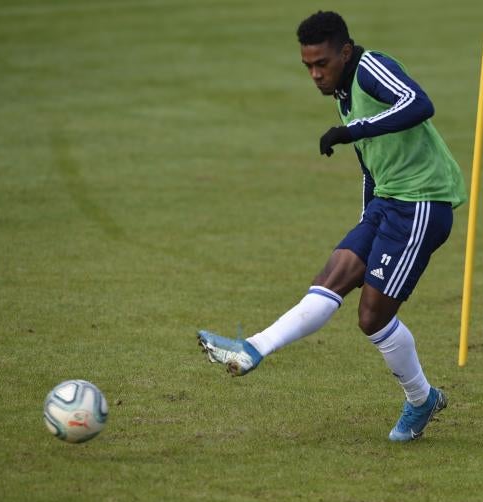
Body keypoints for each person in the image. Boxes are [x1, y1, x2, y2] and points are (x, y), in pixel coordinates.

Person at [198, 10, 467, 442]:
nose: (315, 74)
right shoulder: (343, 94)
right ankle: (253, 349)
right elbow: (371, 166)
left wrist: (351, 130)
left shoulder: (370, 67)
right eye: (307, 66)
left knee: (372, 318)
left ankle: (421, 399)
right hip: (387, 202)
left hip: (422, 202)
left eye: (322, 63)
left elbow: (419, 103)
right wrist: (366, 219)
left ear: (345, 51)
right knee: (330, 278)